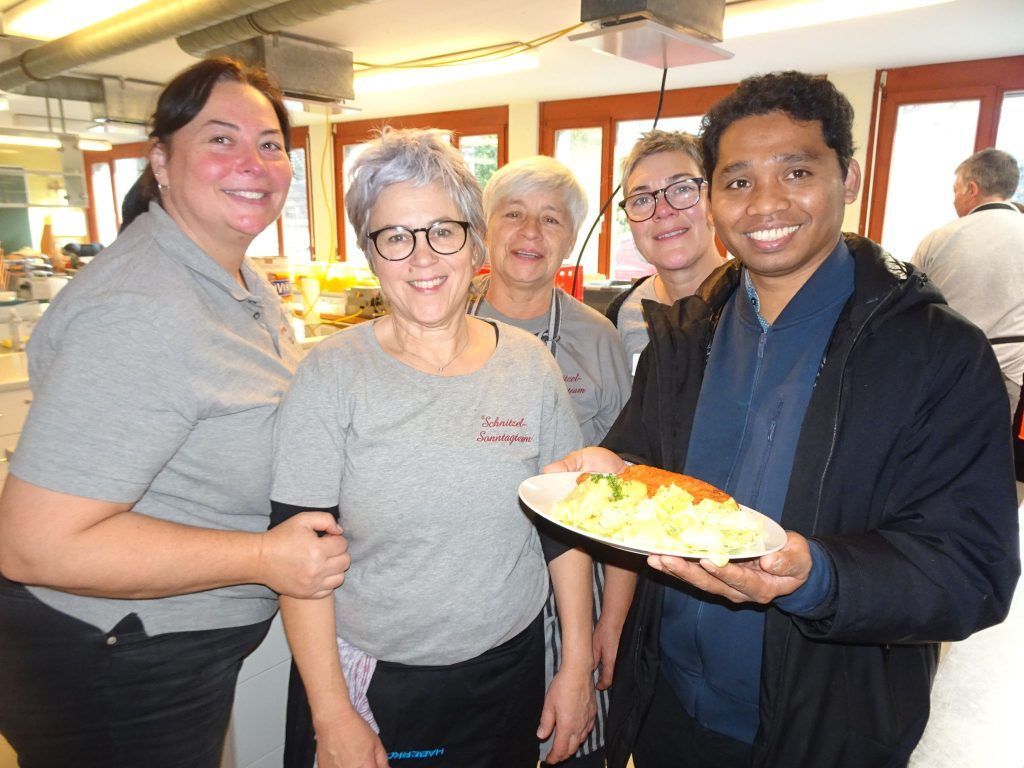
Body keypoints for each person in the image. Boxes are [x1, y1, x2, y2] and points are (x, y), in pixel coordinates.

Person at [550, 71, 1020, 768]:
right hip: (667, 712)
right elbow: (639, 464)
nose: (766, 201)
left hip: (826, 725)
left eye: (797, 170)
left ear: (849, 177)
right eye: (738, 182)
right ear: (713, 199)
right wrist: (605, 470)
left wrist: (819, 575)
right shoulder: (685, 337)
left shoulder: (936, 355)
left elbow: (973, 573)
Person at [0, 57, 349, 768]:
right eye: (219, 139)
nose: (253, 162)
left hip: (164, 641)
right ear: (160, 160)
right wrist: (264, 557)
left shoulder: (238, 277)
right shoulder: (142, 308)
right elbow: (35, 543)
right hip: (116, 656)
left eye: (271, 144)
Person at [271, 128, 596, 768]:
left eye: (442, 231)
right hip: (378, 684)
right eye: (395, 237)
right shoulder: (332, 376)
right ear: (371, 254)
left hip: (509, 673)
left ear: (474, 240)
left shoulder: (530, 366)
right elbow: (298, 561)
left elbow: (567, 531)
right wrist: (331, 713)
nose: (422, 258)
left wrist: (577, 665)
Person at [470, 155, 633, 767]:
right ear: (486, 227)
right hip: (476, 571)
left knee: (575, 742)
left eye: (551, 220)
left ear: (571, 238)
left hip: (578, 572)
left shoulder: (598, 337)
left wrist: (610, 620)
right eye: (513, 214)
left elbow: (625, 497)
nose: (530, 234)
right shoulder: (445, 324)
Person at [912, 148, 1024, 417]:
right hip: (1016, 374)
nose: (954, 200)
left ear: (971, 189)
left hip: (949, 369)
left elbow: (911, 302)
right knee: (1001, 453)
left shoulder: (939, 238)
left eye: (956, 190)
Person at [605, 130, 724, 375]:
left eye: (681, 189)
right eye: (642, 199)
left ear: (712, 202)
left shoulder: (762, 303)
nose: (663, 210)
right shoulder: (623, 316)